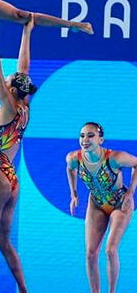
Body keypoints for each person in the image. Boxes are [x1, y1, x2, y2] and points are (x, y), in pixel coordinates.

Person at [0, 16, 37, 293]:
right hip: (11, 179)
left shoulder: (8, 105)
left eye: (10, 81)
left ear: (11, 89)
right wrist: (28, 32)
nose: (9, 77)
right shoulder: (24, 108)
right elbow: (22, 68)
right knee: (3, 240)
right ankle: (24, 289)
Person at [66, 122, 137, 293]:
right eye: (82, 135)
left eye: (91, 136)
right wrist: (73, 194)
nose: (85, 140)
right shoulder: (73, 158)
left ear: (101, 140)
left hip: (120, 203)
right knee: (90, 254)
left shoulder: (115, 158)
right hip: (96, 203)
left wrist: (131, 192)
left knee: (110, 250)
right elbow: (70, 170)